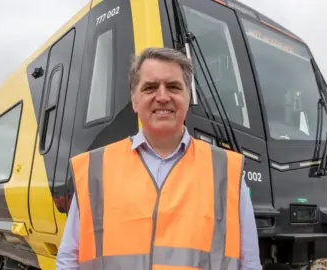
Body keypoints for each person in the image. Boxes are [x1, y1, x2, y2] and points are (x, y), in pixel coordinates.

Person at [56, 47, 262, 269]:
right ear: (135, 101)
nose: (162, 97)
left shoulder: (226, 171)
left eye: (173, 87)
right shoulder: (95, 169)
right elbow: (69, 259)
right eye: (150, 87)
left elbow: (249, 263)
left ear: (187, 97)